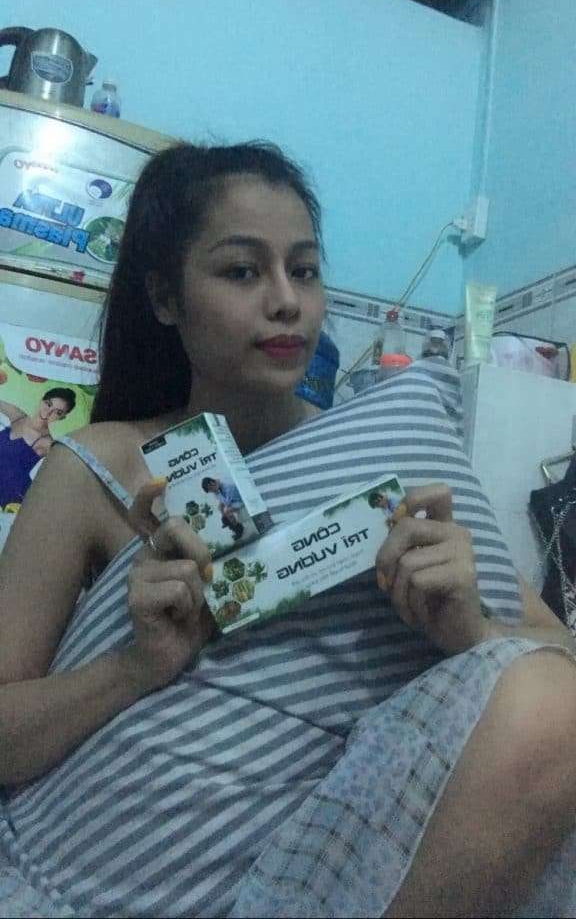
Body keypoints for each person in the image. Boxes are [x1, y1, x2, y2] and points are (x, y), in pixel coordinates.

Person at [1, 141, 576, 919]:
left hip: (320, 871)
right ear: (165, 298)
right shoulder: (94, 469)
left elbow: (555, 660)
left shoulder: (385, 451)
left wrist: (472, 629)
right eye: (243, 271)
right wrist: (136, 668)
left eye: (303, 271)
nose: (286, 301)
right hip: (88, 862)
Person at [0, 387, 76, 509]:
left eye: (57, 412)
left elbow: (67, 473)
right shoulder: (18, 416)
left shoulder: (47, 442)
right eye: (48, 404)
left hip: (9, 493)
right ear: (42, 400)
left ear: (61, 417)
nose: (48, 412)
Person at [201, 475, 245, 540]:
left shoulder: (227, 487)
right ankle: (226, 520)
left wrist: (217, 493)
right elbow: (223, 501)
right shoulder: (218, 487)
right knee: (220, 507)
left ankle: (239, 529)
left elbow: (227, 503)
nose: (212, 492)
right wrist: (217, 493)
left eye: (211, 489)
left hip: (240, 500)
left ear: (212, 483)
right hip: (233, 500)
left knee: (227, 511)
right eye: (211, 491)